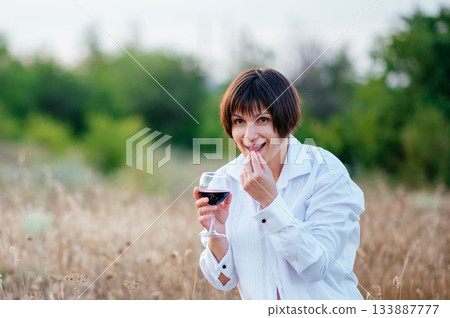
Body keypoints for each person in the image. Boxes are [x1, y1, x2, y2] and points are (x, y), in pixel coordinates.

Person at [194, 68, 365, 300]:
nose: (248, 135)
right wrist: (217, 230)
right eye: (239, 121)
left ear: (287, 120)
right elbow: (223, 281)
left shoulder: (325, 171)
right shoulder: (226, 179)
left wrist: (269, 201)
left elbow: (316, 266)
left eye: (262, 119)